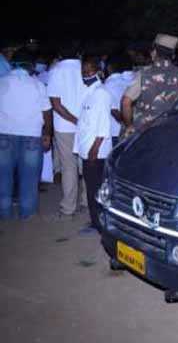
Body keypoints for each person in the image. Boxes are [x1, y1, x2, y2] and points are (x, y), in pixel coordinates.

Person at [47, 47, 96, 218]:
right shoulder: (86, 68)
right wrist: (81, 120)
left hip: (64, 126)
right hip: (86, 125)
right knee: (86, 166)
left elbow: (56, 104)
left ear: (60, 54)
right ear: (79, 53)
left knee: (68, 167)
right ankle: (87, 203)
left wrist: (74, 120)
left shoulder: (56, 70)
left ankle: (69, 207)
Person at [0, 68, 52, 220]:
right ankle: (27, 214)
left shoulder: (2, 82)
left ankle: (4, 212)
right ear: (29, 68)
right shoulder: (37, 84)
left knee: (3, 176)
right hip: (32, 134)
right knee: (29, 177)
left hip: (4, 133)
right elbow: (47, 112)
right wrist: (47, 134)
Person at [121, 34, 178, 136]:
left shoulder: (144, 74)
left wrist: (129, 126)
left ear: (154, 52)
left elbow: (125, 102)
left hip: (144, 131)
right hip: (174, 130)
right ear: (173, 55)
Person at [73, 57, 112, 232]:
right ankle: (96, 221)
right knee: (92, 188)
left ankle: (98, 224)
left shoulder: (101, 94)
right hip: (86, 148)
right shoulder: (88, 92)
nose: (86, 74)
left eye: (89, 71)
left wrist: (94, 149)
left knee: (95, 189)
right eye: (83, 71)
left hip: (95, 152)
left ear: (98, 72)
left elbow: (104, 125)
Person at [103, 53, 135, 146]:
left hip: (114, 131)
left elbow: (114, 112)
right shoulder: (131, 79)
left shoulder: (108, 84)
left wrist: (125, 122)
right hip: (130, 129)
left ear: (109, 67)